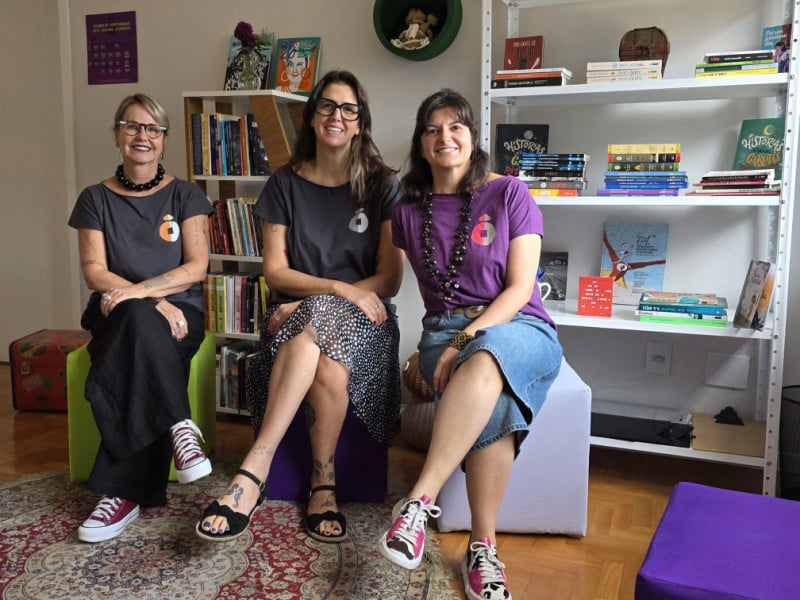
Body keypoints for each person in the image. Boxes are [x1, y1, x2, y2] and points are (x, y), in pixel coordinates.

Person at [196, 70, 403, 543]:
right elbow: (275, 272)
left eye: (348, 109)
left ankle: (253, 471)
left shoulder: (382, 185)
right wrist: (335, 290)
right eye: (327, 106)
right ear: (311, 118)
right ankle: (322, 484)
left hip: (366, 323)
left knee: (317, 325)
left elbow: (390, 279)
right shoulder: (284, 184)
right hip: (296, 325)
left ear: (359, 123)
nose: (337, 116)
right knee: (327, 365)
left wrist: (326, 300)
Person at [380, 89, 562, 600]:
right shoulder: (406, 213)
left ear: (472, 136)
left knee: (484, 357)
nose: (446, 137)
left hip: (521, 325)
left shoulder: (509, 194)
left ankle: (417, 503)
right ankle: (483, 550)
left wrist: (469, 336)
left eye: (455, 126)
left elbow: (521, 287)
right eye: (433, 129)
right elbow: (390, 280)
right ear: (420, 144)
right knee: (495, 398)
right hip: (442, 333)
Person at [67, 93, 214, 543]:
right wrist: (147, 300)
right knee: (133, 320)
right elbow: (94, 271)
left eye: (152, 128)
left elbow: (196, 267)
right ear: (117, 134)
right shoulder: (94, 198)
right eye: (131, 126)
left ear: (165, 139)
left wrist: (141, 294)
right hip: (117, 311)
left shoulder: (186, 193)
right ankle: (177, 424)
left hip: (179, 315)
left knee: (133, 341)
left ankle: (122, 496)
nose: (142, 136)